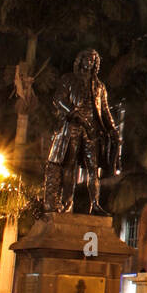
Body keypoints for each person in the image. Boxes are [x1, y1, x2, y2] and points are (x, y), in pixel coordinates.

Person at [43, 49, 120, 214]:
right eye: (87, 59)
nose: (89, 62)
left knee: (93, 169)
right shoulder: (69, 79)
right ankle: (67, 202)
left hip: (92, 130)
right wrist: (73, 113)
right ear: (80, 60)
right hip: (72, 127)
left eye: (93, 60)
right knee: (69, 165)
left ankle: (95, 204)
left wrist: (113, 129)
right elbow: (58, 99)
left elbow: (105, 110)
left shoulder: (99, 86)